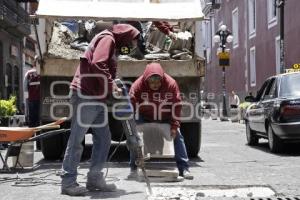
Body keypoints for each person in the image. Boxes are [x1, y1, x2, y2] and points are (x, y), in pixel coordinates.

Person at [60, 24, 140, 196]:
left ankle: (95, 178)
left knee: (104, 138)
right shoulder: (108, 38)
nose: (133, 45)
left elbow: (102, 68)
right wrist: (111, 85)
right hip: (86, 95)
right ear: (125, 36)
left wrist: (112, 84)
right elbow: (97, 63)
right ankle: (68, 182)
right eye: (132, 41)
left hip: (96, 97)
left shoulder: (111, 43)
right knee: (77, 139)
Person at [128, 62, 193, 180]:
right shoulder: (138, 85)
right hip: (144, 116)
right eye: (152, 82)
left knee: (178, 136)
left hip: (166, 116)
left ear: (162, 79)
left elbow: (176, 106)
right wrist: (131, 126)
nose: (155, 85)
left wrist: (174, 126)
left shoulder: (171, 84)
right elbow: (130, 105)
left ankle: (184, 168)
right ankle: (133, 168)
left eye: (158, 82)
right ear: (146, 80)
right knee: (135, 139)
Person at [24, 56, 41, 149]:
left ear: (34, 63)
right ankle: (39, 145)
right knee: (40, 122)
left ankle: (29, 144)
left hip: (32, 100)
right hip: (41, 101)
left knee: (32, 122)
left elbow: (25, 88)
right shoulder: (43, 72)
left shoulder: (29, 73)